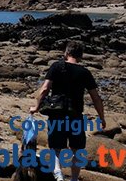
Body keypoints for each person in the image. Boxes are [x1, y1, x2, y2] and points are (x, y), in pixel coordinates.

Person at [29, 41, 105, 181]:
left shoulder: (57, 66)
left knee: (55, 148)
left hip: (57, 114)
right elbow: (96, 98)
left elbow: (45, 89)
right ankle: (74, 179)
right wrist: (102, 117)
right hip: (75, 115)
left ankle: (58, 173)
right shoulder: (84, 72)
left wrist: (36, 107)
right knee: (77, 149)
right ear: (80, 56)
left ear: (67, 53)